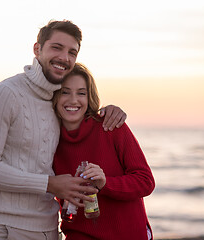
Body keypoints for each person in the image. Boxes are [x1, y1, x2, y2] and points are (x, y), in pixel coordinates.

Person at [0, 20, 127, 240]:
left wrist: (110, 111)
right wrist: (50, 184)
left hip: (49, 226)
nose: (64, 57)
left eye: (72, 52)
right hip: (5, 227)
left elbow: (78, 112)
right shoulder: (3, 94)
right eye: (56, 47)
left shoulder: (55, 100)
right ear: (37, 49)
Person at [52, 63, 155, 240]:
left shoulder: (110, 126)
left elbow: (146, 181)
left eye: (81, 93)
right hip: (79, 234)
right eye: (65, 92)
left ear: (89, 96)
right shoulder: (48, 138)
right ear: (54, 96)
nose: (73, 100)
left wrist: (105, 183)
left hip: (128, 234)